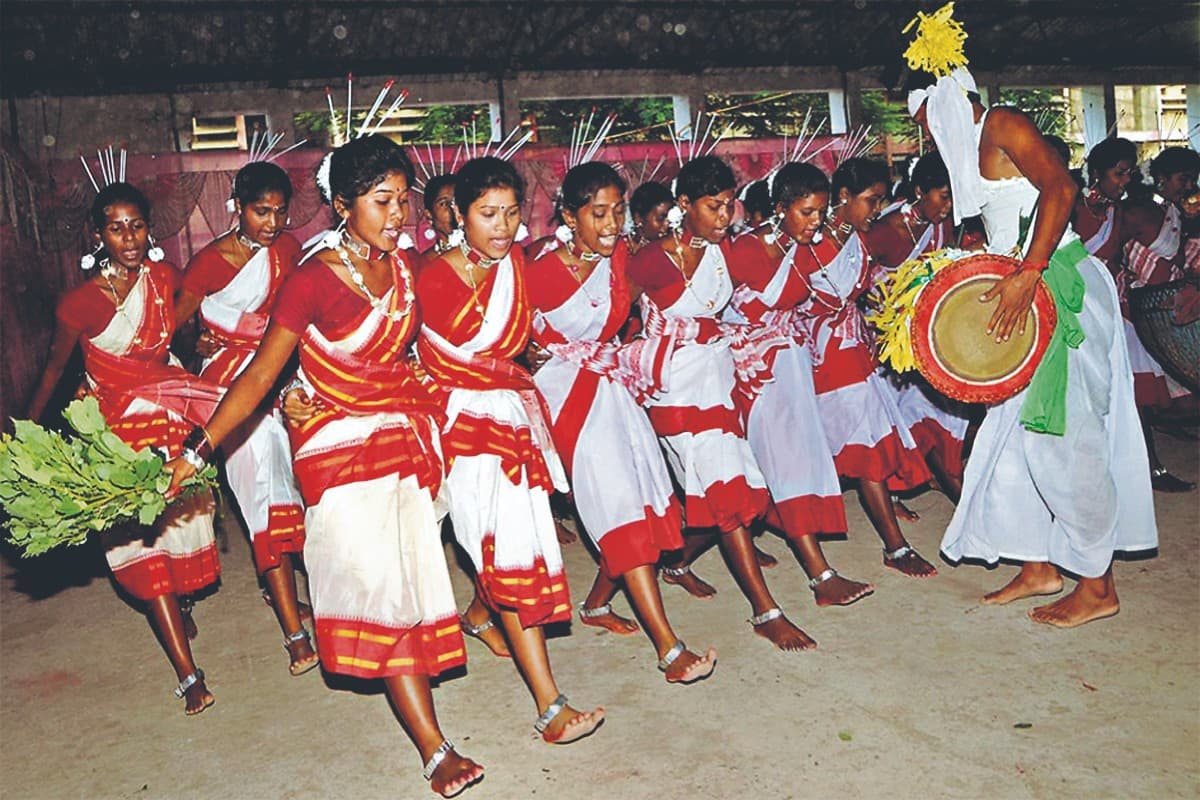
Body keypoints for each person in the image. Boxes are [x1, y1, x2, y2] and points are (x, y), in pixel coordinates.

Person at [166, 135, 483, 797]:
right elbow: (260, 375)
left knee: (406, 586)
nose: (398, 214)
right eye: (381, 201)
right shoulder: (312, 278)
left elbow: (421, 345)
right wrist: (199, 448)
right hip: (337, 450)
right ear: (342, 205)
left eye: (403, 200)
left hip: (400, 439)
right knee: (381, 585)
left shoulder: (404, 267)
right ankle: (434, 747)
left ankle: (430, 729)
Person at [906, 52, 1157, 626]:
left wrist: (1029, 270)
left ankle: (1098, 584)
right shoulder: (969, 146)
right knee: (1012, 441)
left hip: (1056, 287)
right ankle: (1037, 563)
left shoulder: (1002, 124)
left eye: (926, 120)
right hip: (1023, 290)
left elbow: (1060, 189)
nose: (928, 134)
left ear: (946, 102)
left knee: (1063, 438)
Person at [415, 156, 605, 743]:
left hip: (512, 419)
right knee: (506, 550)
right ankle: (550, 706)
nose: (502, 227)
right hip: (459, 428)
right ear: (458, 216)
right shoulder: (428, 277)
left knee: (511, 540)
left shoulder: (517, 265)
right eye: (487, 214)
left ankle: (480, 614)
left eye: (511, 213)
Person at [28, 182, 221, 715]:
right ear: (98, 235)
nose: (129, 237)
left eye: (137, 226)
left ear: (149, 229)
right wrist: (23, 432)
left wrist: (199, 345)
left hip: (168, 415)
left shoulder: (165, 278)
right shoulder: (79, 303)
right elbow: (53, 370)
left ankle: (179, 604)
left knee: (178, 529)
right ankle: (188, 674)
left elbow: (173, 340)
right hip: (115, 431)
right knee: (142, 547)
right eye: (116, 228)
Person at [527, 161, 717, 681]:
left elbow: (656, 296)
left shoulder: (619, 260)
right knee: (618, 506)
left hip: (611, 388)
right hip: (565, 397)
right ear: (569, 216)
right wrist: (530, 353)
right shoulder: (538, 269)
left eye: (618, 212)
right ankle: (669, 648)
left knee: (637, 504)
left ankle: (592, 605)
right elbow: (503, 329)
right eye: (598, 213)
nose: (612, 224)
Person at [628, 155, 814, 651]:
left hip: (718, 379)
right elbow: (612, 311)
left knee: (718, 494)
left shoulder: (722, 249)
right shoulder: (652, 259)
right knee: (724, 491)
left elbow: (765, 270)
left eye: (730, 205)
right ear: (683, 204)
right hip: (674, 388)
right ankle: (765, 611)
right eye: (713, 206)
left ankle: (657, 571)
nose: (724, 216)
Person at [175, 161, 317, 675]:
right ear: (237, 207)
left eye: (280, 212)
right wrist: (198, 342)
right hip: (231, 390)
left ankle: (288, 592)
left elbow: (301, 315)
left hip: (285, 376)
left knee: (302, 489)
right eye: (261, 211)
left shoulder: (289, 251)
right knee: (266, 498)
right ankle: (294, 634)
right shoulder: (208, 264)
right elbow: (168, 327)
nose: (272, 223)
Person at [725, 162, 875, 607]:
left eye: (821, 212)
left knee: (784, 465)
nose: (816, 222)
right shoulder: (744, 250)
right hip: (755, 372)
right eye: (806, 212)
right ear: (779, 209)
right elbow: (710, 307)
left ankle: (680, 559)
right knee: (784, 465)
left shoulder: (803, 248)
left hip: (792, 366)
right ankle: (820, 576)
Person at [791, 158, 938, 578]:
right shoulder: (807, 242)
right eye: (871, 200)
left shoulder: (858, 239)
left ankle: (892, 537)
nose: (878, 209)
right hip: (820, 358)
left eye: (881, 200)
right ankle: (895, 546)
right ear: (843, 197)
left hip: (853, 352)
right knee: (849, 449)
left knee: (868, 444)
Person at [866, 151, 970, 505]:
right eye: (944, 196)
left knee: (935, 411)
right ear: (918, 191)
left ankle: (944, 480)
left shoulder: (943, 225)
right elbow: (856, 284)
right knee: (898, 415)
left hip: (924, 334)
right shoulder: (883, 230)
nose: (949, 206)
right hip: (884, 340)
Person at [1120, 146, 1198, 492]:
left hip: (1164, 309)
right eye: (1184, 179)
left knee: (1162, 394)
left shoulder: (1178, 213)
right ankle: (1150, 468)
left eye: (1193, 179)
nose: (1189, 186)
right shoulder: (1138, 211)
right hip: (1134, 312)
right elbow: (1117, 253)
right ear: (1162, 179)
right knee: (1139, 396)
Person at [626, 181, 674, 256]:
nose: (667, 225)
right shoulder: (623, 249)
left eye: (670, 218)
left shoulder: (672, 247)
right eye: (660, 219)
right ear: (638, 218)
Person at [419, 173, 458, 260]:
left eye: (457, 201)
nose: (453, 209)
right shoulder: (424, 262)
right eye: (443, 203)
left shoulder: (483, 253)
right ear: (429, 214)